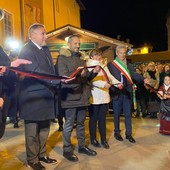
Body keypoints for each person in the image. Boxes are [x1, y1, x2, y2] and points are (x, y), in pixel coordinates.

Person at [18, 23, 61, 170]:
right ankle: (32, 159)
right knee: (32, 131)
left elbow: (51, 69)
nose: (46, 36)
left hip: (47, 94)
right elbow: (35, 70)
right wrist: (54, 81)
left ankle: (42, 154)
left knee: (44, 128)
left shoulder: (45, 49)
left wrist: (60, 79)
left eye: (45, 33)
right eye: (43, 33)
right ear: (32, 35)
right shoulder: (26, 50)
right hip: (33, 97)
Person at [56, 34, 100, 162]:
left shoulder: (81, 59)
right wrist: (77, 73)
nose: (78, 45)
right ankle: (67, 150)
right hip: (70, 96)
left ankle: (82, 147)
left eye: (79, 43)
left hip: (82, 96)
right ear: (69, 44)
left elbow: (85, 79)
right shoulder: (62, 58)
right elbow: (63, 77)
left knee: (81, 123)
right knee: (69, 124)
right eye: (75, 43)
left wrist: (93, 73)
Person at [107, 45, 147, 143]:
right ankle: (117, 132)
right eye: (120, 53)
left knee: (128, 114)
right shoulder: (111, 65)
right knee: (116, 114)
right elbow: (109, 78)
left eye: (124, 53)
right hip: (117, 92)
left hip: (127, 92)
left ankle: (128, 134)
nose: (123, 55)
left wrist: (143, 79)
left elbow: (133, 75)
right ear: (117, 53)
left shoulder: (129, 65)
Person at [86, 49, 122, 149]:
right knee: (93, 119)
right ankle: (93, 139)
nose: (99, 57)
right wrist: (103, 84)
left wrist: (117, 82)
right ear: (92, 57)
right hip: (95, 97)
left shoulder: (103, 66)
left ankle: (103, 139)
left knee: (102, 119)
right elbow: (91, 80)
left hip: (104, 96)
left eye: (99, 55)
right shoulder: (89, 66)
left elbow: (109, 77)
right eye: (96, 55)